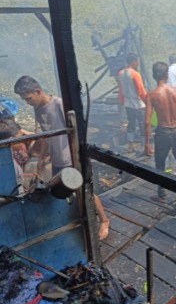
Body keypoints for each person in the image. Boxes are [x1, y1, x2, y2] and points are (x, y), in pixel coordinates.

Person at [13, 75, 110, 240]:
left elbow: (75, 130)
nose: (28, 103)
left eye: (29, 99)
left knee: (84, 189)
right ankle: (78, 219)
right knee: (61, 191)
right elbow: (45, 136)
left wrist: (75, 157)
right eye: (25, 100)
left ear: (37, 91)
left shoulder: (58, 103)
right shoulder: (37, 109)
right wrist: (43, 158)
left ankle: (104, 220)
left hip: (71, 158)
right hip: (57, 160)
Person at [144, 61, 176, 203]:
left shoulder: (152, 95)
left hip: (163, 132)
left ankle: (162, 194)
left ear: (154, 76)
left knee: (160, 163)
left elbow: (147, 121)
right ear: (167, 75)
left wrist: (146, 143)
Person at [117, 52, 147, 154]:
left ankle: (130, 146)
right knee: (143, 125)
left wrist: (121, 102)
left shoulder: (120, 73)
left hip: (128, 105)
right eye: (137, 61)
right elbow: (141, 91)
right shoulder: (135, 74)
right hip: (138, 105)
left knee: (131, 125)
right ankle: (145, 146)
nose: (138, 63)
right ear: (133, 61)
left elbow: (120, 90)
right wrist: (148, 102)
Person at [0, 119, 29, 195]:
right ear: (11, 140)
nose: (23, 140)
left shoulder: (8, 157)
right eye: (20, 137)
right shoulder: (9, 166)